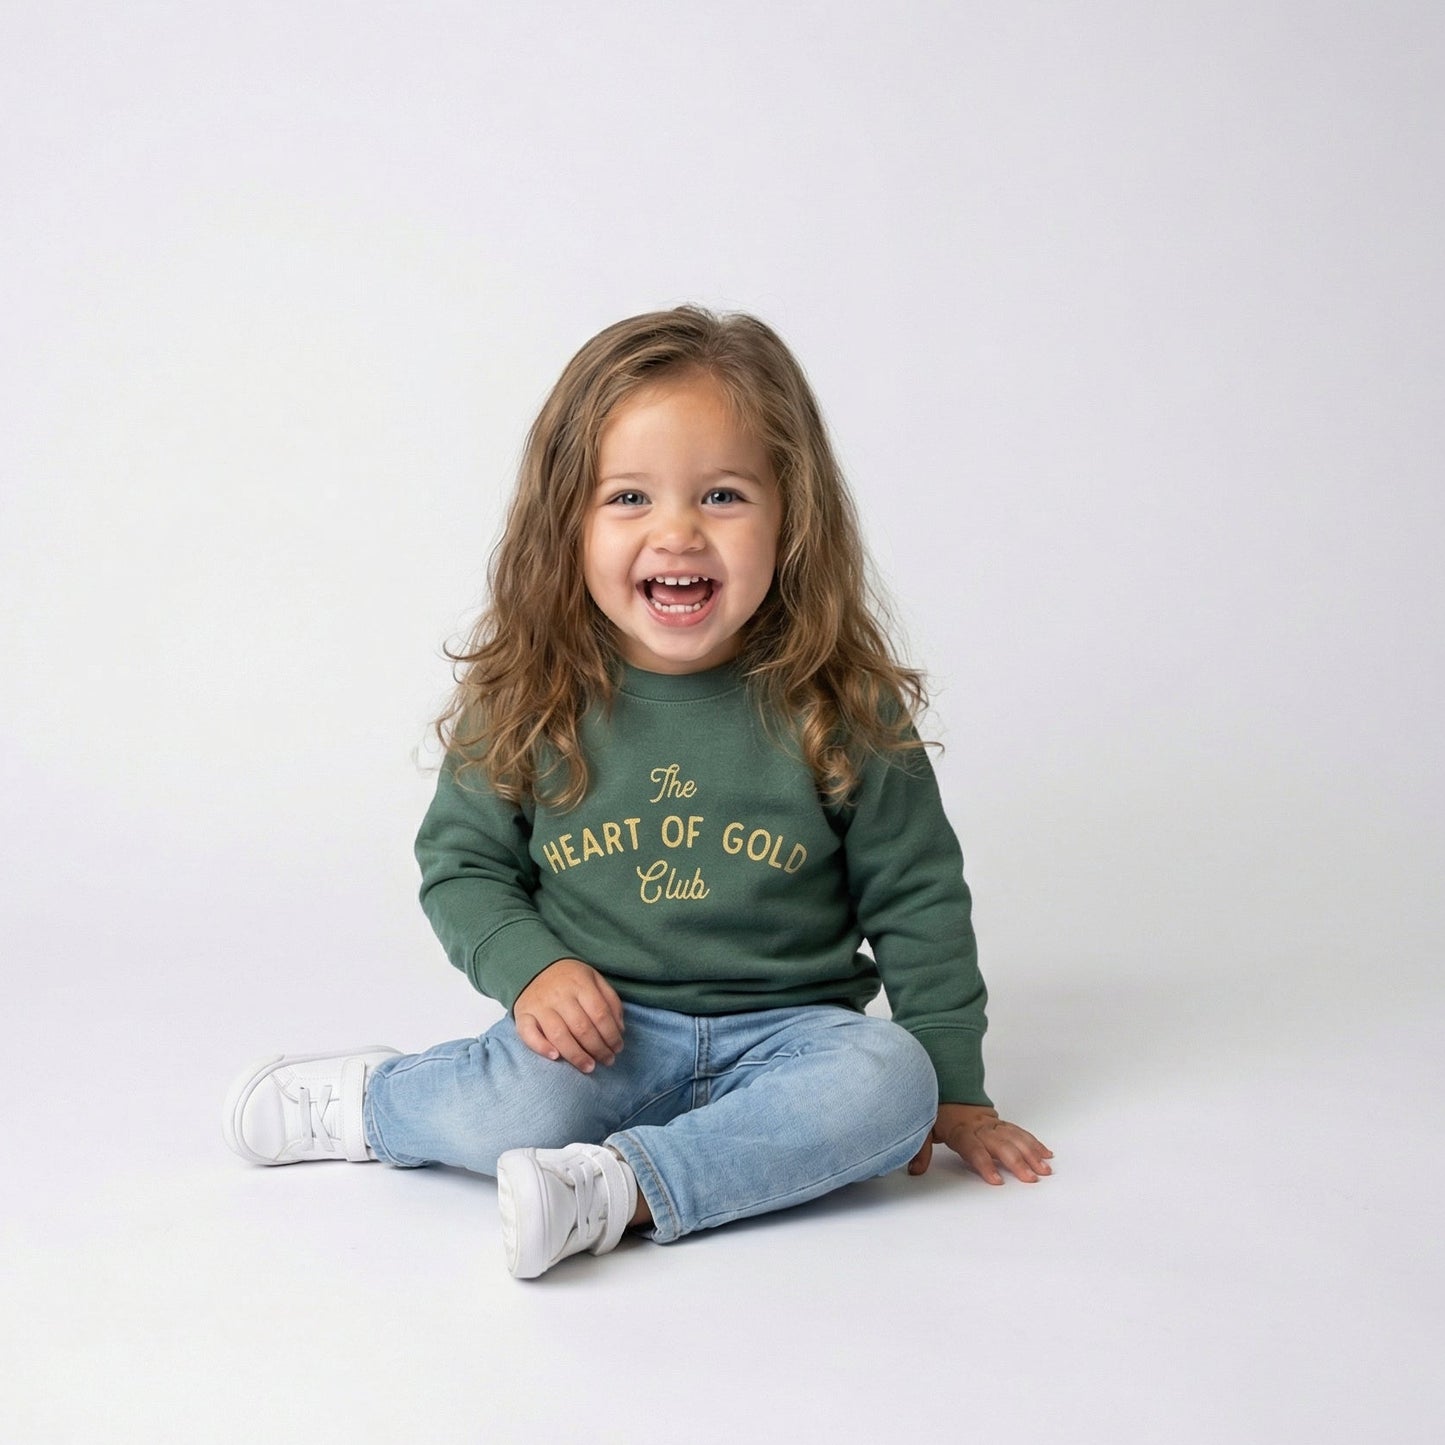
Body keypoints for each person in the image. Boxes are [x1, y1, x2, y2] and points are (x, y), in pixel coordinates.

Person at [222, 305, 1052, 1279]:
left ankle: (615, 1188)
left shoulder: (839, 700)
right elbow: (461, 866)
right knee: (516, 1109)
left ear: (791, 514)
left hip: (790, 1035)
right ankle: (373, 1101)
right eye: (628, 497)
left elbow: (917, 896)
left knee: (888, 1082)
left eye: (723, 494)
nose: (677, 531)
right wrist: (530, 970)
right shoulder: (531, 691)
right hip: (600, 1028)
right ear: (565, 521)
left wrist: (955, 1088)